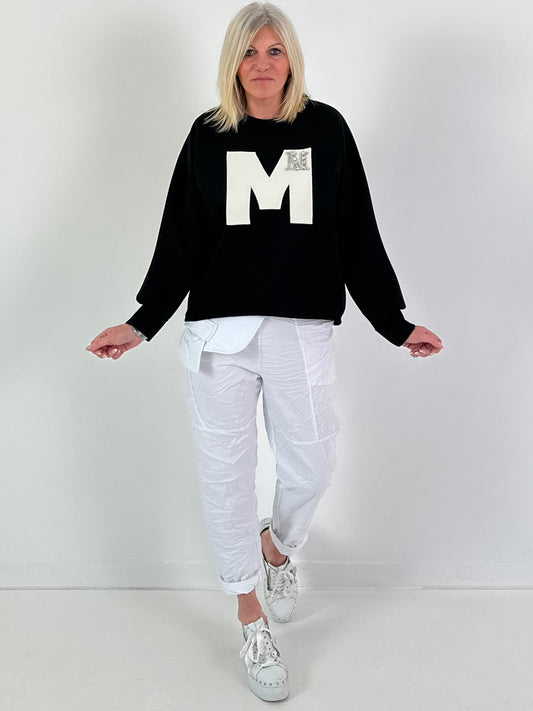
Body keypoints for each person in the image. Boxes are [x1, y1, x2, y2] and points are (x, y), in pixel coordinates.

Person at [86, 2, 443, 702]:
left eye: (274, 50)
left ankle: (275, 546)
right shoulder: (209, 134)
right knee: (225, 477)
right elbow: (181, 238)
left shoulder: (325, 129)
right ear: (233, 61)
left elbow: (356, 233)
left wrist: (394, 323)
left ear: (291, 59)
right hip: (218, 335)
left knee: (312, 463)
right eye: (249, 51)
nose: (262, 64)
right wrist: (141, 322)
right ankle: (249, 616)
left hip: (299, 329)